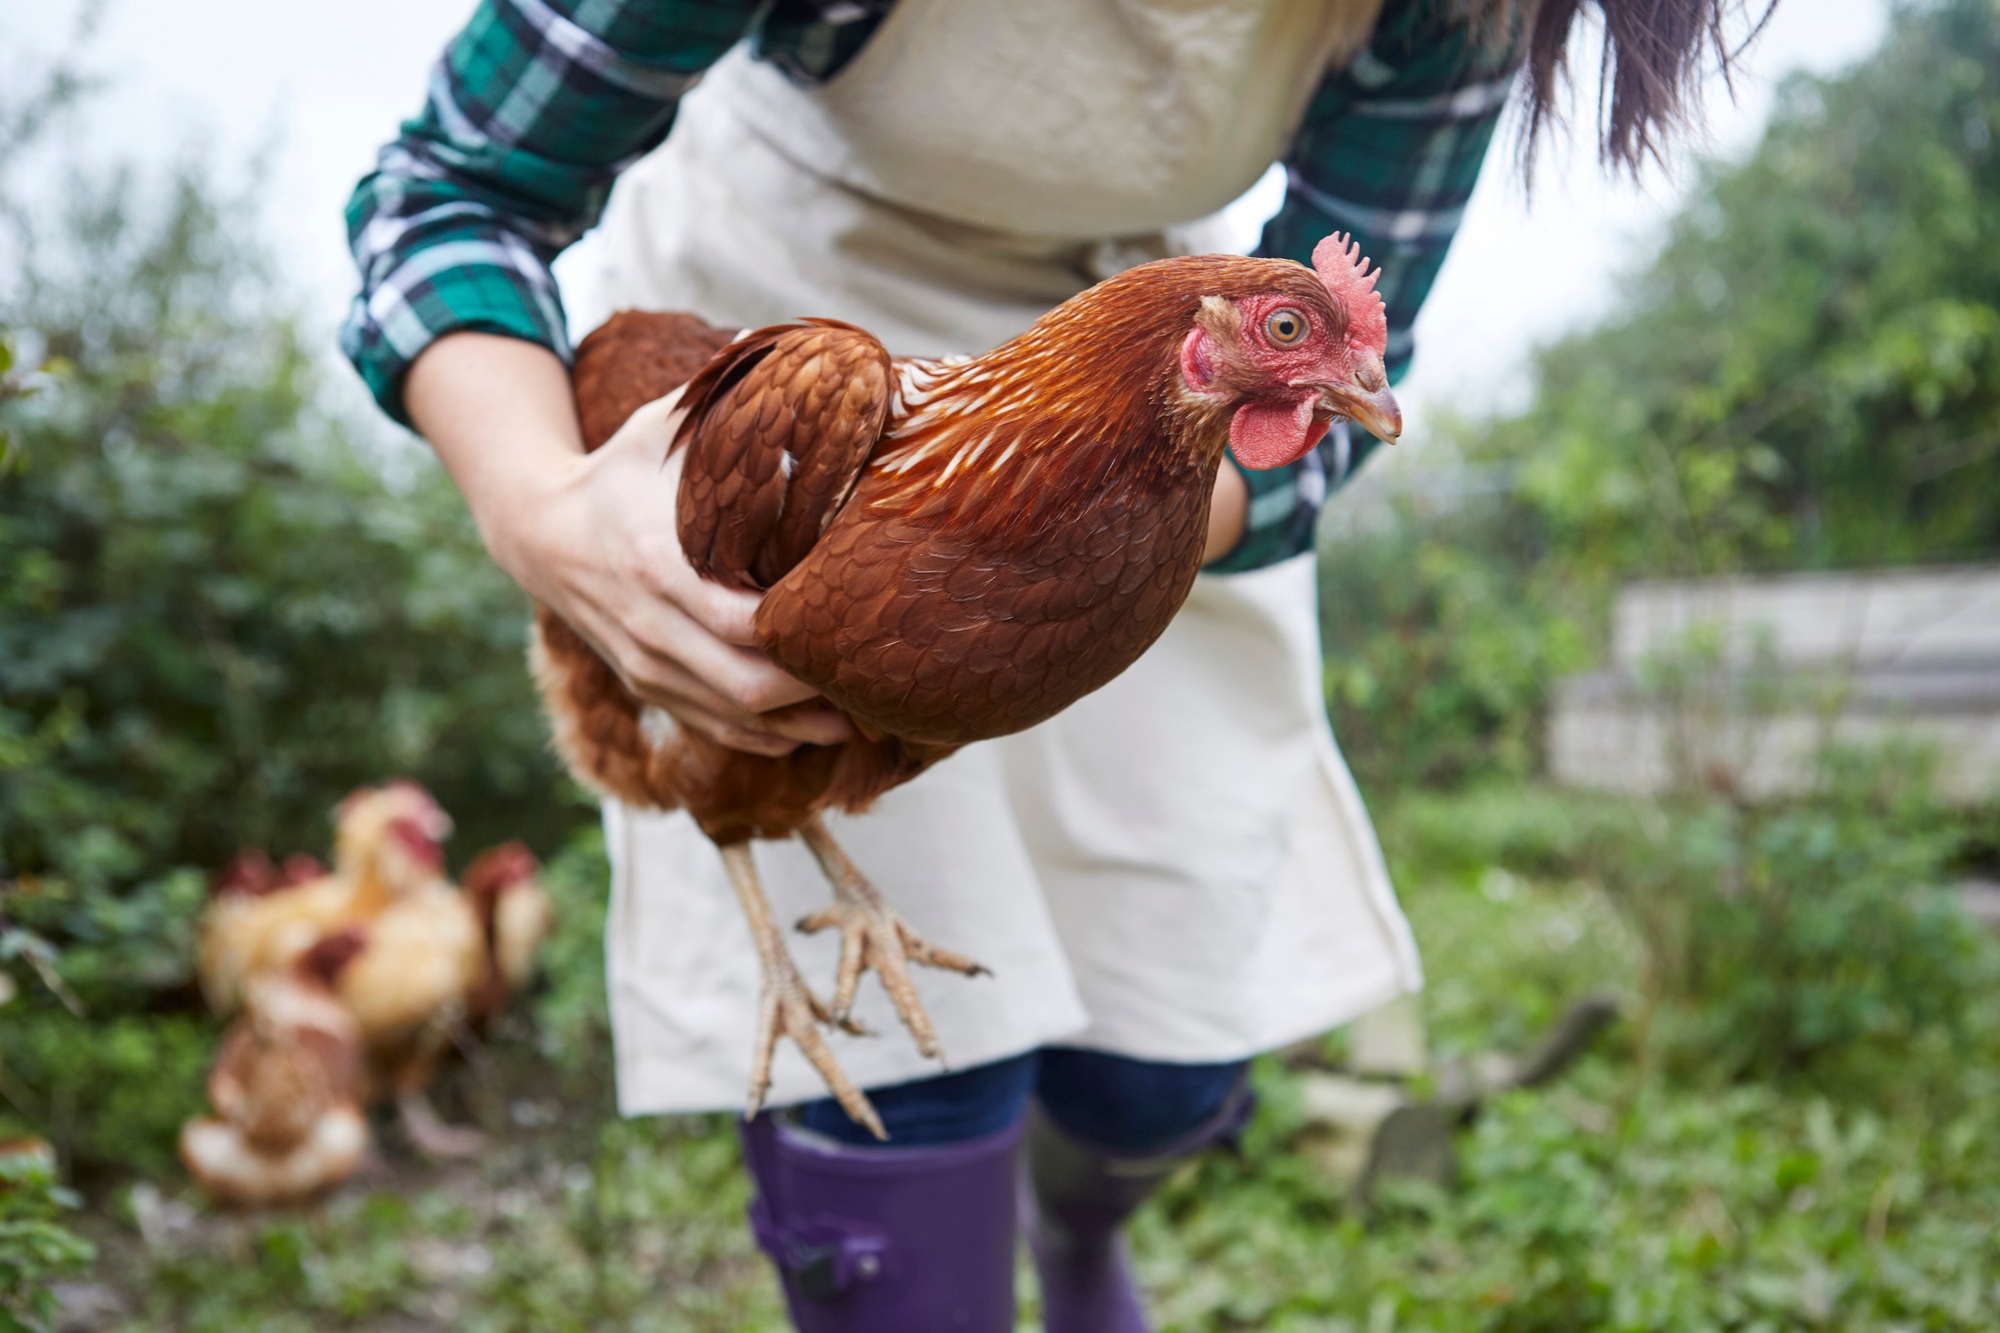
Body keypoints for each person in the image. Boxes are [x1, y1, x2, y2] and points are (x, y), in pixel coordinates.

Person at [344, 2, 1745, 1328]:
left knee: (1165, 1056)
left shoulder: (1467, 9)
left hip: (1128, 408)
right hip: (795, 347)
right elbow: (448, 193)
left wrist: (1071, 534)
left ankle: (1077, 1225)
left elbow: (1350, 375)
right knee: (904, 1056)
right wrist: (545, 514)